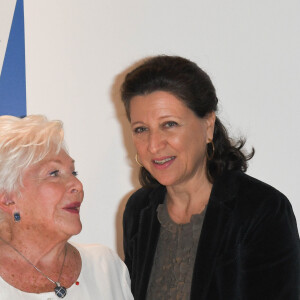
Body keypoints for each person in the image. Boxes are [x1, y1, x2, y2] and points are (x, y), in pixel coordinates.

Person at [120, 55, 300, 300]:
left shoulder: (262, 210)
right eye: (141, 129)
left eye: (169, 124)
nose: (153, 145)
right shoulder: (139, 209)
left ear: (208, 125)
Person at [0, 115, 133, 300]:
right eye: (54, 173)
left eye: (74, 172)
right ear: (8, 200)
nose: (77, 184)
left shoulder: (104, 267)